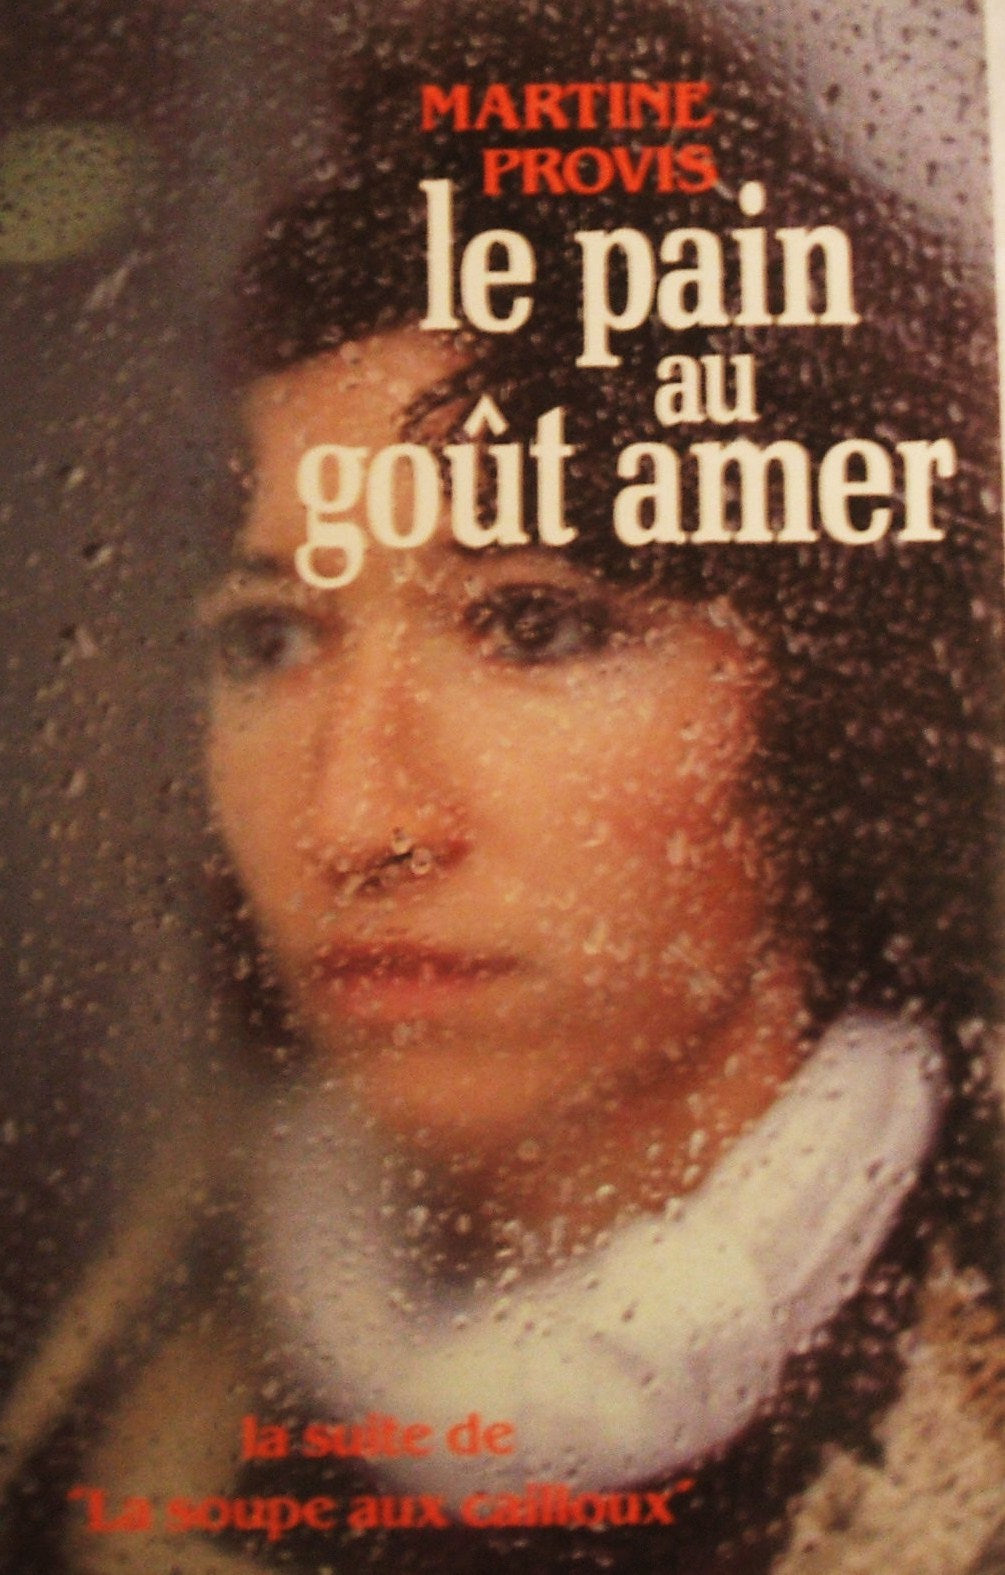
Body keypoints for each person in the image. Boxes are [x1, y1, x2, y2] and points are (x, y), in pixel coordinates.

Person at [3, 1, 1004, 1571]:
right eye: (270, 637)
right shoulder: (116, 1407)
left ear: (834, 688)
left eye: (534, 624)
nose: (357, 824)